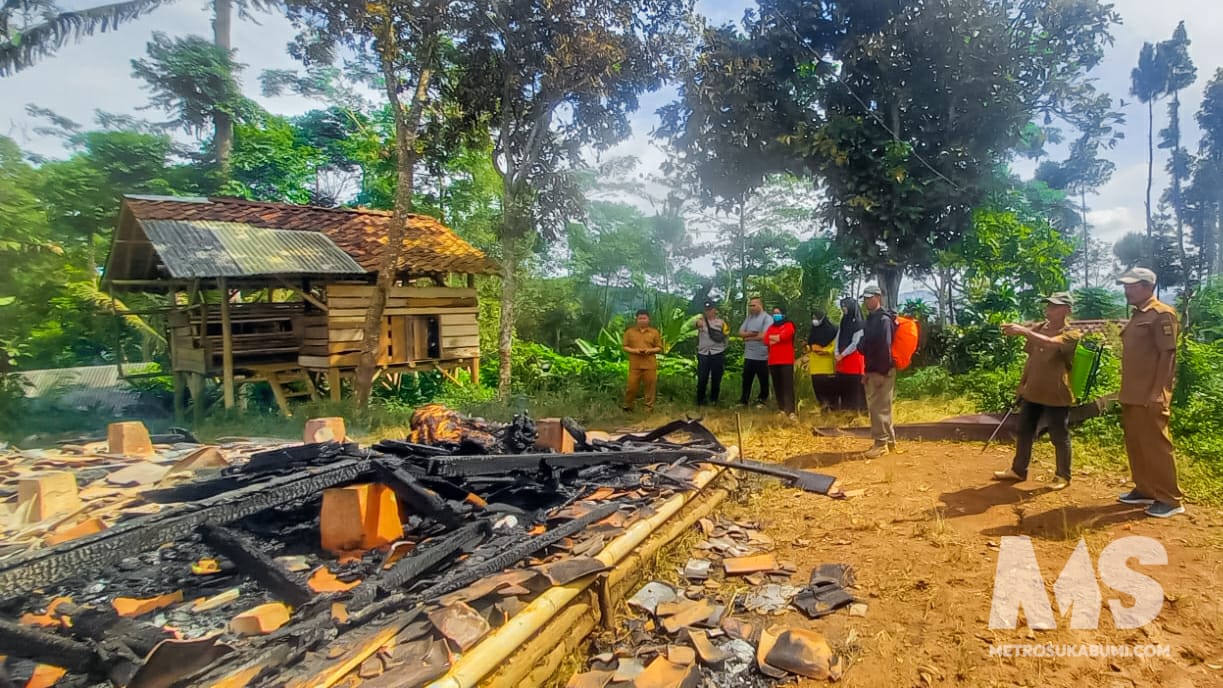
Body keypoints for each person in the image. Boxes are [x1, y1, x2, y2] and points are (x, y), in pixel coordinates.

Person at [991, 292, 1082, 490]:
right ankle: (1018, 470)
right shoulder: (1039, 328)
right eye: (1048, 305)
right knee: (1024, 430)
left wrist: (1024, 331)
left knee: (1059, 434)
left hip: (1056, 392)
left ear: (1067, 310)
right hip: (1033, 390)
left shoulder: (1072, 334)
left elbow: (1049, 343)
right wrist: (1022, 384)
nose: (1049, 310)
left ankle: (1063, 476)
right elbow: (1031, 359)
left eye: (1055, 306)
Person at [1115, 267, 1184, 518]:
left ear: (1147, 286)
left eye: (1131, 286)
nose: (1127, 290)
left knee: (1156, 447)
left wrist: (1160, 392)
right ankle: (1145, 489)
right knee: (1137, 445)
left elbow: (1168, 355)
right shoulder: (1138, 314)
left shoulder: (1161, 314)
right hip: (1132, 394)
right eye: (1125, 286)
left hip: (1150, 395)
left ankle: (1170, 499)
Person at [859, 285, 896, 457]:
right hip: (873, 369)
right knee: (881, 406)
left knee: (878, 408)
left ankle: (881, 444)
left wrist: (882, 372)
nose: (867, 301)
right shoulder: (871, 319)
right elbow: (868, 347)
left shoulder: (883, 320)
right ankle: (889, 442)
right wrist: (867, 371)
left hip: (882, 370)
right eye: (865, 298)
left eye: (870, 297)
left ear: (878, 297)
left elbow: (884, 348)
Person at [622, 309, 662, 413]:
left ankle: (649, 408)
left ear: (648, 319)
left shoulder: (654, 332)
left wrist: (649, 350)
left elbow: (659, 348)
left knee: (650, 388)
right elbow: (625, 347)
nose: (642, 320)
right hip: (635, 365)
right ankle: (628, 406)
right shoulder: (629, 332)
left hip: (649, 364)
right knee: (631, 387)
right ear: (636, 319)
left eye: (644, 318)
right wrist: (635, 351)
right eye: (640, 318)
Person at [692, 300, 730, 406]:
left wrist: (723, 348)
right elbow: (692, 325)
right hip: (703, 354)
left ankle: (714, 399)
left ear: (715, 310)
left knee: (716, 377)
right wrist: (697, 323)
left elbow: (726, 336)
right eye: (706, 310)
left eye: (710, 310)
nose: (708, 312)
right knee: (702, 377)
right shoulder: (700, 321)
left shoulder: (721, 322)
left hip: (718, 353)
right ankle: (700, 400)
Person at [738, 297, 773, 406]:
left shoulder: (767, 318)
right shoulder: (749, 318)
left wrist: (748, 338)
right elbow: (740, 332)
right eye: (750, 305)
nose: (751, 308)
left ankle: (763, 399)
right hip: (749, 355)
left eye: (753, 305)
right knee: (746, 379)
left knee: (763, 379)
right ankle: (744, 400)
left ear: (760, 305)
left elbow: (764, 335)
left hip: (762, 355)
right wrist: (751, 334)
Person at [834, 297, 867, 411]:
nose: (843, 309)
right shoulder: (843, 321)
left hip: (854, 360)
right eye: (842, 307)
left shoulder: (859, 324)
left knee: (854, 387)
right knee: (843, 386)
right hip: (842, 361)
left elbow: (855, 343)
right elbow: (838, 337)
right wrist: (836, 352)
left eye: (845, 306)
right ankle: (845, 410)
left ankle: (857, 411)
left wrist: (842, 354)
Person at [766, 306, 798, 420]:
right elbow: (766, 339)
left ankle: (791, 411)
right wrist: (777, 337)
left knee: (787, 386)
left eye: (778, 313)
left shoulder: (789, 325)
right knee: (777, 386)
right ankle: (782, 409)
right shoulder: (771, 327)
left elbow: (785, 336)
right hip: (773, 361)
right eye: (774, 313)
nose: (775, 315)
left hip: (786, 360)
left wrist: (775, 338)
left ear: (783, 314)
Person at [806, 309, 839, 410]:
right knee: (818, 389)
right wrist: (809, 347)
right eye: (813, 318)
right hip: (815, 366)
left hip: (827, 365)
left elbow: (835, 346)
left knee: (830, 389)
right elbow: (809, 344)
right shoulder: (813, 331)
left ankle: (833, 409)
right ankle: (823, 408)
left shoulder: (833, 330)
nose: (814, 320)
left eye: (816, 318)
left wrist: (825, 350)